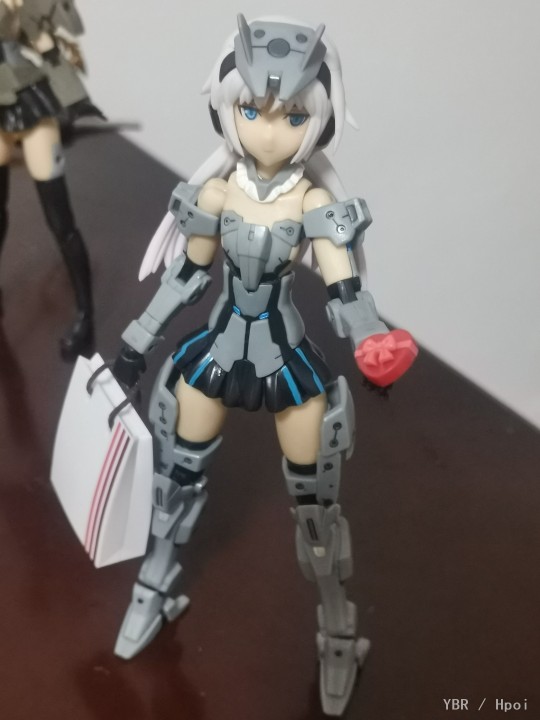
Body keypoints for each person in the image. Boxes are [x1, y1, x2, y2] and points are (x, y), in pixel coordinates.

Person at [112, 15, 418, 715]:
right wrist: (136, 342)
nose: (269, 131)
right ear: (227, 109)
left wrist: (371, 341)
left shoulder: (315, 202)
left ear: (318, 121)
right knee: (172, 479)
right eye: (252, 110)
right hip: (218, 352)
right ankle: (153, 587)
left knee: (316, 508)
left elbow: (346, 292)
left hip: (286, 363)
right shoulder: (215, 194)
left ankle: (337, 629)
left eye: (291, 117)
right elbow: (184, 280)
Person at [0, 0, 101, 359]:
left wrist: (71, 92)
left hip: (28, 102)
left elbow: (43, 40)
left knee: (60, 221)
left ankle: (86, 315)